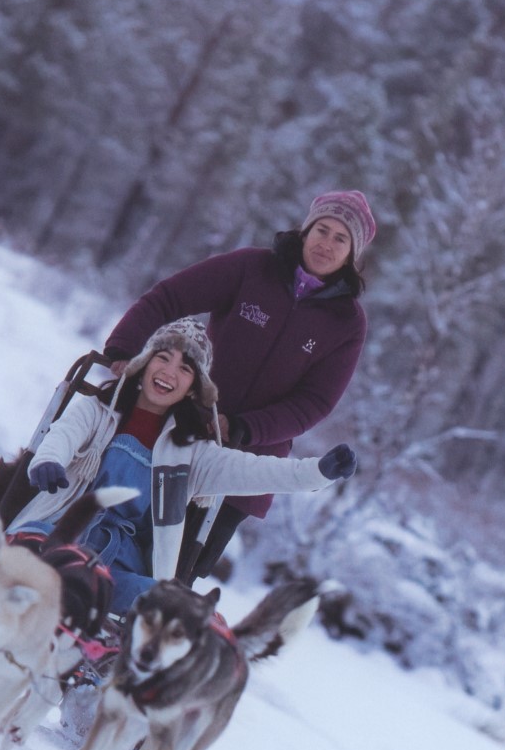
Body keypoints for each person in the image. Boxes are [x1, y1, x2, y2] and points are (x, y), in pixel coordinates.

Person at [100, 190, 375, 579]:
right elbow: (168, 297)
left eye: (340, 238)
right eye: (321, 229)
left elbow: (314, 403)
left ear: (352, 254)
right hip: (178, 437)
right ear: (305, 229)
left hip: (248, 467)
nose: (326, 244)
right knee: (118, 539)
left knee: (174, 581)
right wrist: (122, 350)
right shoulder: (252, 268)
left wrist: (244, 428)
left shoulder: (347, 323)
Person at [6, 319, 357, 613]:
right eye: (163, 357)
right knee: (22, 554)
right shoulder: (99, 409)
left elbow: (258, 471)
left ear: (193, 388)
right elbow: (64, 434)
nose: (169, 371)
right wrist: (50, 461)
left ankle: (93, 679)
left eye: (184, 368)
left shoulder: (191, 453)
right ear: (143, 364)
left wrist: (318, 472)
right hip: (61, 531)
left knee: (160, 607)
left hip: (117, 565)